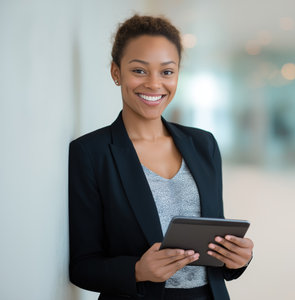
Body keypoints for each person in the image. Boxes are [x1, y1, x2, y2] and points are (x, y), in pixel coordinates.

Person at [68, 15, 253, 300]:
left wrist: (236, 259)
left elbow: (214, 240)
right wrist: (138, 270)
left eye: (167, 72)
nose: (154, 84)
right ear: (116, 73)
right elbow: (82, 266)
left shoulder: (203, 145)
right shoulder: (91, 153)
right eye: (139, 71)